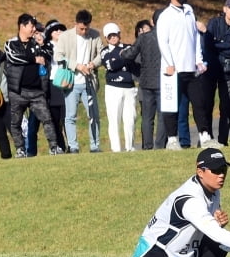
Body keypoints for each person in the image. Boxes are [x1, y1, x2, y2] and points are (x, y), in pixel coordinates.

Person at [155, 0, 210, 150]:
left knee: (199, 103)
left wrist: (198, 60)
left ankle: (205, 136)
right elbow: (162, 42)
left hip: (190, 68)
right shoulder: (165, 16)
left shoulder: (189, 11)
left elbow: (194, 38)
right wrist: (170, 64)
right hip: (173, 70)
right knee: (172, 106)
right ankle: (172, 139)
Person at [3, 14, 64, 156]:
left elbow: (48, 55)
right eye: (31, 26)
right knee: (16, 123)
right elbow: (13, 57)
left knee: (47, 119)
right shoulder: (11, 43)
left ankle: (54, 147)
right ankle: (20, 149)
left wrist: (42, 44)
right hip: (17, 91)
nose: (34, 29)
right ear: (22, 26)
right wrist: (34, 59)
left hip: (37, 91)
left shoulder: (36, 43)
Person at [54, 9, 104, 153]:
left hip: (89, 82)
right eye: (81, 28)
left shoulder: (94, 35)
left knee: (93, 115)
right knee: (70, 116)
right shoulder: (65, 36)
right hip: (71, 82)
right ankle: (73, 146)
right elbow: (58, 56)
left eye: (86, 28)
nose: (84, 31)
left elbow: (101, 54)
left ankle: (95, 145)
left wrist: (92, 64)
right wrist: (76, 65)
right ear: (76, 24)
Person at [206, 0, 230, 147]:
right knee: (207, 105)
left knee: (227, 106)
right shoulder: (214, 23)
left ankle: (223, 139)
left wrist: (220, 45)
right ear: (224, 9)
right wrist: (229, 45)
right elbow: (208, 44)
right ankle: (206, 137)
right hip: (211, 70)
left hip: (229, 71)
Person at [123, 18, 164, 150]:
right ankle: (160, 145)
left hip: (145, 81)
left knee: (147, 117)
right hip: (162, 80)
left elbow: (130, 54)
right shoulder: (166, 35)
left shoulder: (143, 38)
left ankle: (147, 145)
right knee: (162, 115)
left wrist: (122, 53)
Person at [100, 23, 138, 152]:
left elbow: (135, 60)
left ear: (119, 34)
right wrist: (125, 57)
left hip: (129, 87)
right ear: (106, 37)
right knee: (114, 119)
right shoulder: (105, 50)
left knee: (130, 118)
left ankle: (130, 146)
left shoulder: (128, 47)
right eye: (110, 36)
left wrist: (121, 57)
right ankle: (116, 149)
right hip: (113, 88)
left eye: (115, 35)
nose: (113, 38)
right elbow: (110, 65)